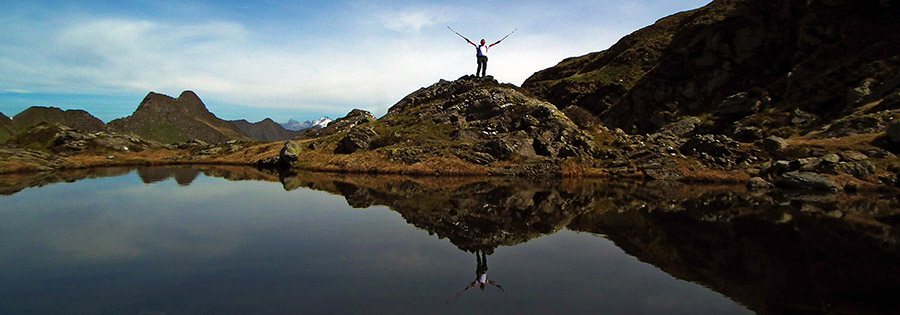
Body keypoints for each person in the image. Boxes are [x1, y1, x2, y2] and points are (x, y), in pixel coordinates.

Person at [449, 27, 514, 78]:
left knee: (484, 66)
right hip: (480, 57)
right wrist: (468, 40)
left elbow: (492, 44)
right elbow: (473, 44)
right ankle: (477, 75)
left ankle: (483, 75)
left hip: (485, 57)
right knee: (479, 65)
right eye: (482, 42)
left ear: (484, 42)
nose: (483, 42)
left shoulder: (486, 46)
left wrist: (498, 42)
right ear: (481, 42)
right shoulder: (478, 46)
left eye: (484, 42)